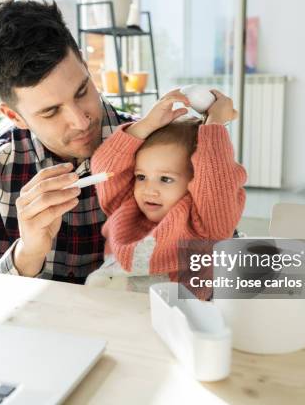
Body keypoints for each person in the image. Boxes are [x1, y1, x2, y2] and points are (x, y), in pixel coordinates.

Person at [0, 0, 134, 283]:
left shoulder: (152, 142)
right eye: (51, 111)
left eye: (81, 91)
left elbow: (217, 271)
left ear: (87, 69)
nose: (81, 120)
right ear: (14, 116)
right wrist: (27, 254)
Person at [85, 91, 247, 293]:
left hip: (167, 317)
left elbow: (216, 181)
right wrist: (146, 125)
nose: (148, 189)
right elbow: (106, 169)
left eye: (166, 179)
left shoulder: (205, 227)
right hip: (106, 307)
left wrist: (214, 125)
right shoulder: (127, 208)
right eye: (141, 177)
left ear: (197, 182)